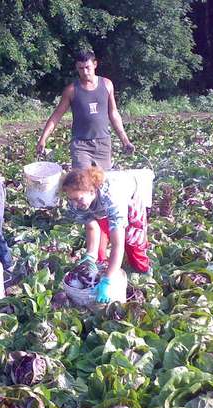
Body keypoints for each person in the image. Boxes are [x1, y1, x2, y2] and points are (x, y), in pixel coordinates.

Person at [62, 167, 151, 303]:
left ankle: (144, 271)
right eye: (71, 199)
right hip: (100, 206)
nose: (75, 203)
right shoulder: (78, 202)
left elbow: (117, 245)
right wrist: (90, 256)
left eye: (78, 199)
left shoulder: (112, 199)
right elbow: (92, 227)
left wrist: (107, 281)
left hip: (129, 197)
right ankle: (105, 267)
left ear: (92, 191)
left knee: (133, 243)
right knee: (98, 253)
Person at [36, 50, 135, 171]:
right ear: (77, 68)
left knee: (102, 183)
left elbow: (113, 114)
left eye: (87, 67)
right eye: (81, 68)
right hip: (80, 145)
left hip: (103, 142)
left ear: (95, 64)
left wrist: (125, 140)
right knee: (82, 182)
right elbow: (56, 116)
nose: (85, 72)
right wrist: (43, 139)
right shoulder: (71, 90)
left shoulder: (107, 84)